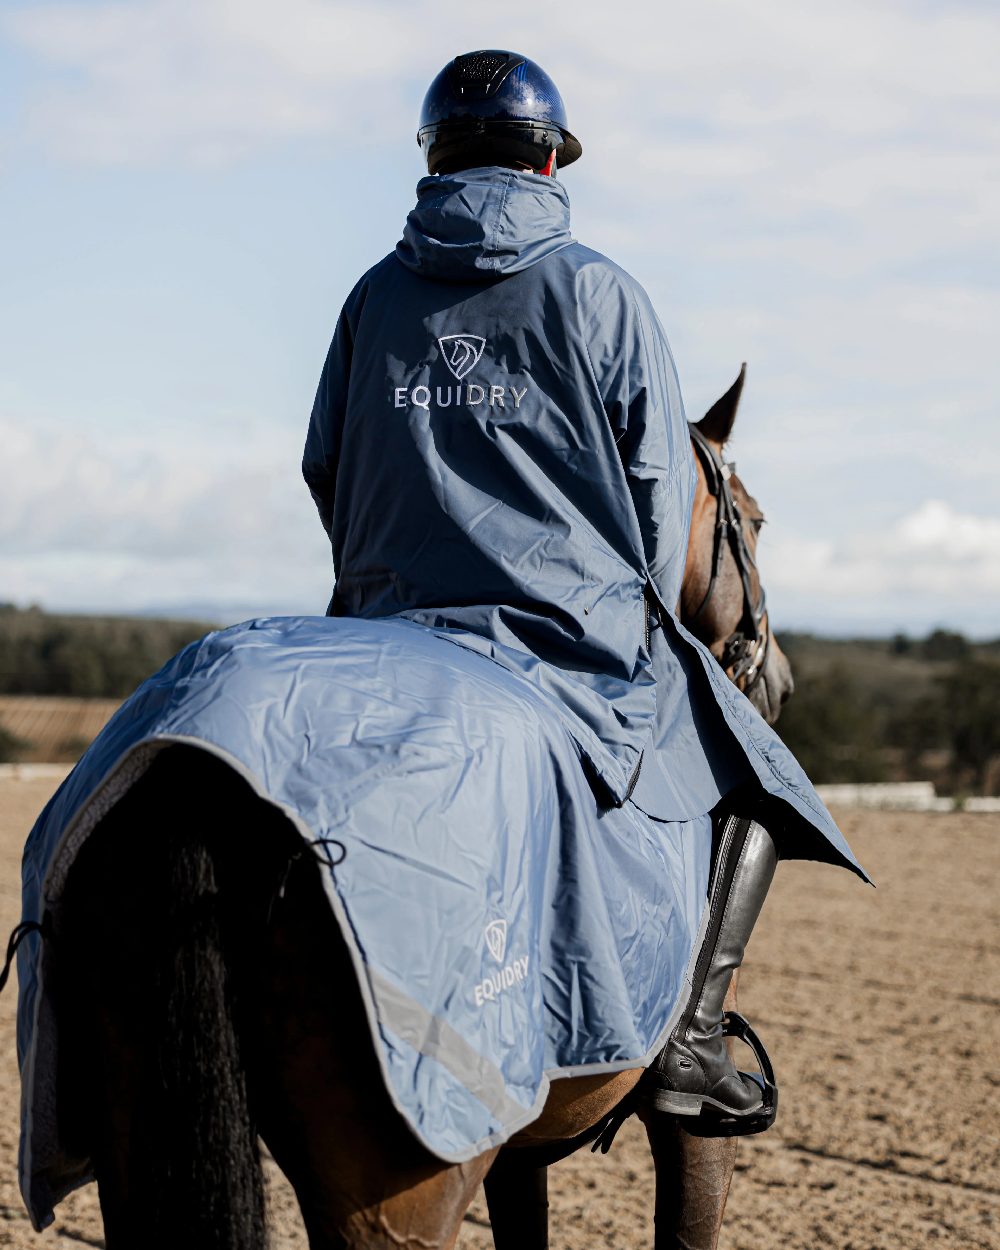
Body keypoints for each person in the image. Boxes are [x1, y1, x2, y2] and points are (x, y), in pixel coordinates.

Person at [303, 49, 862, 1134]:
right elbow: (658, 503)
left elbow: (326, 468)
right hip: (562, 642)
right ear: (550, 159)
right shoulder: (600, 291)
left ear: (433, 158)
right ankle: (692, 1042)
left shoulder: (371, 296)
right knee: (755, 772)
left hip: (381, 631)